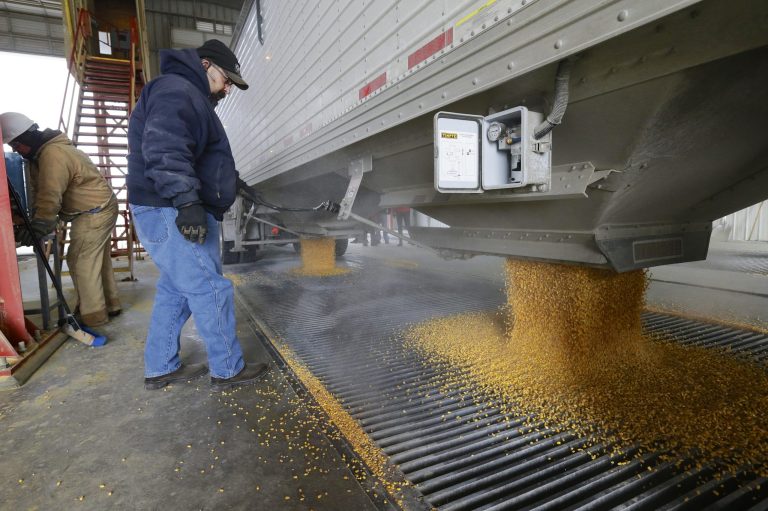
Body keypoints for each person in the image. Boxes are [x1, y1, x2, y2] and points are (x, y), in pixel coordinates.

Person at [127, 39, 269, 390]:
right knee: (210, 289)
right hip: (170, 208)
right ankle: (227, 369)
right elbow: (165, 146)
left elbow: (201, 156)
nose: (228, 88)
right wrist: (187, 202)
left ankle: (160, 366)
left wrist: (235, 183)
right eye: (226, 79)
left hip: (167, 206)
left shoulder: (188, 96)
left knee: (176, 292)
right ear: (206, 65)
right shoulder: (177, 90)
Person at [1, 112, 121, 327]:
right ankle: (110, 304)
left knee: (80, 261)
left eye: (15, 145)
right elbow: (39, 191)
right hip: (98, 206)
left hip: (94, 210)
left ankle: (93, 316)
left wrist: (41, 222)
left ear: (25, 139)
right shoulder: (40, 155)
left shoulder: (52, 154)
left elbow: (50, 193)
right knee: (96, 260)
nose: (14, 150)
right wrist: (36, 220)